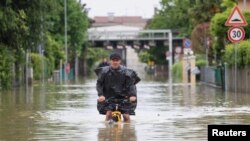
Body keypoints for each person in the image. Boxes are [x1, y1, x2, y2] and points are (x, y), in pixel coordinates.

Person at [95, 52, 140, 122]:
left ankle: (128, 130)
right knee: (109, 114)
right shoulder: (104, 72)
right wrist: (101, 95)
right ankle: (105, 129)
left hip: (124, 98)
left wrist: (132, 95)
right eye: (113, 60)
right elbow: (99, 84)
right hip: (108, 98)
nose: (115, 62)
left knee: (126, 116)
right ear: (110, 61)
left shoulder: (127, 72)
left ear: (120, 61)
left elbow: (131, 85)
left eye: (117, 60)